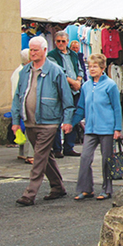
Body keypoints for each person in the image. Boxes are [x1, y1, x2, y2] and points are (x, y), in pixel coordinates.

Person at [11, 36, 75, 206]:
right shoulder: (24, 72)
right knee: (46, 156)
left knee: (39, 156)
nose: (32, 53)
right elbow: (18, 97)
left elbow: (67, 100)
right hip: (30, 121)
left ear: (45, 50)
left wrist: (67, 121)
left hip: (49, 121)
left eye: (35, 50)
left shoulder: (55, 71)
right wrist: (16, 121)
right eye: (31, 50)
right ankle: (57, 186)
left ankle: (30, 193)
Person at [71, 53, 122, 201]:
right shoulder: (86, 86)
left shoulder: (110, 85)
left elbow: (116, 108)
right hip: (90, 129)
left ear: (102, 68)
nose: (92, 69)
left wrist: (117, 129)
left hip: (107, 128)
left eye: (95, 66)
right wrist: (70, 123)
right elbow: (81, 108)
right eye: (90, 67)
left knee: (107, 159)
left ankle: (107, 189)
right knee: (85, 158)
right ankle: (85, 189)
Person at [47, 30, 82, 158]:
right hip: (61, 90)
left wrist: (78, 80)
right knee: (58, 118)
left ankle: (69, 146)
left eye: (63, 41)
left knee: (73, 118)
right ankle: (57, 148)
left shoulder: (73, 54)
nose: (61, 44)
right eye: (58, 41)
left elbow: (79, 69)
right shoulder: (52, 55)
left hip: (74, 90)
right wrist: (72, 82)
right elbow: (59, 72)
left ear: (67, 42)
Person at [11, 49, 34, 164]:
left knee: (23, 128)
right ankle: (30, 155)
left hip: (20, 104)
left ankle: (22, 153)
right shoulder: (23, 72)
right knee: (29, 129)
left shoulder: (18, 71)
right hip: (23, 105)